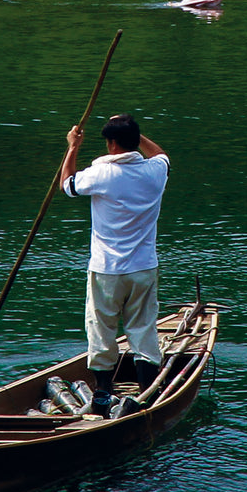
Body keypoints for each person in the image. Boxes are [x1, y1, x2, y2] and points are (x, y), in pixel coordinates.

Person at [60, 113, 170, 414]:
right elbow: (161, 155)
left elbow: (67, 184)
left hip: (106, 268)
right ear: (135, 142)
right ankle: (147, 394)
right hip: (143, 268)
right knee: (143, 329)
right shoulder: (155, 172)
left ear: (110, 144)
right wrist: (134, 132)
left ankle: (103, 395)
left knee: (101, 329)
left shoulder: (100, 174)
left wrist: (73, 146)